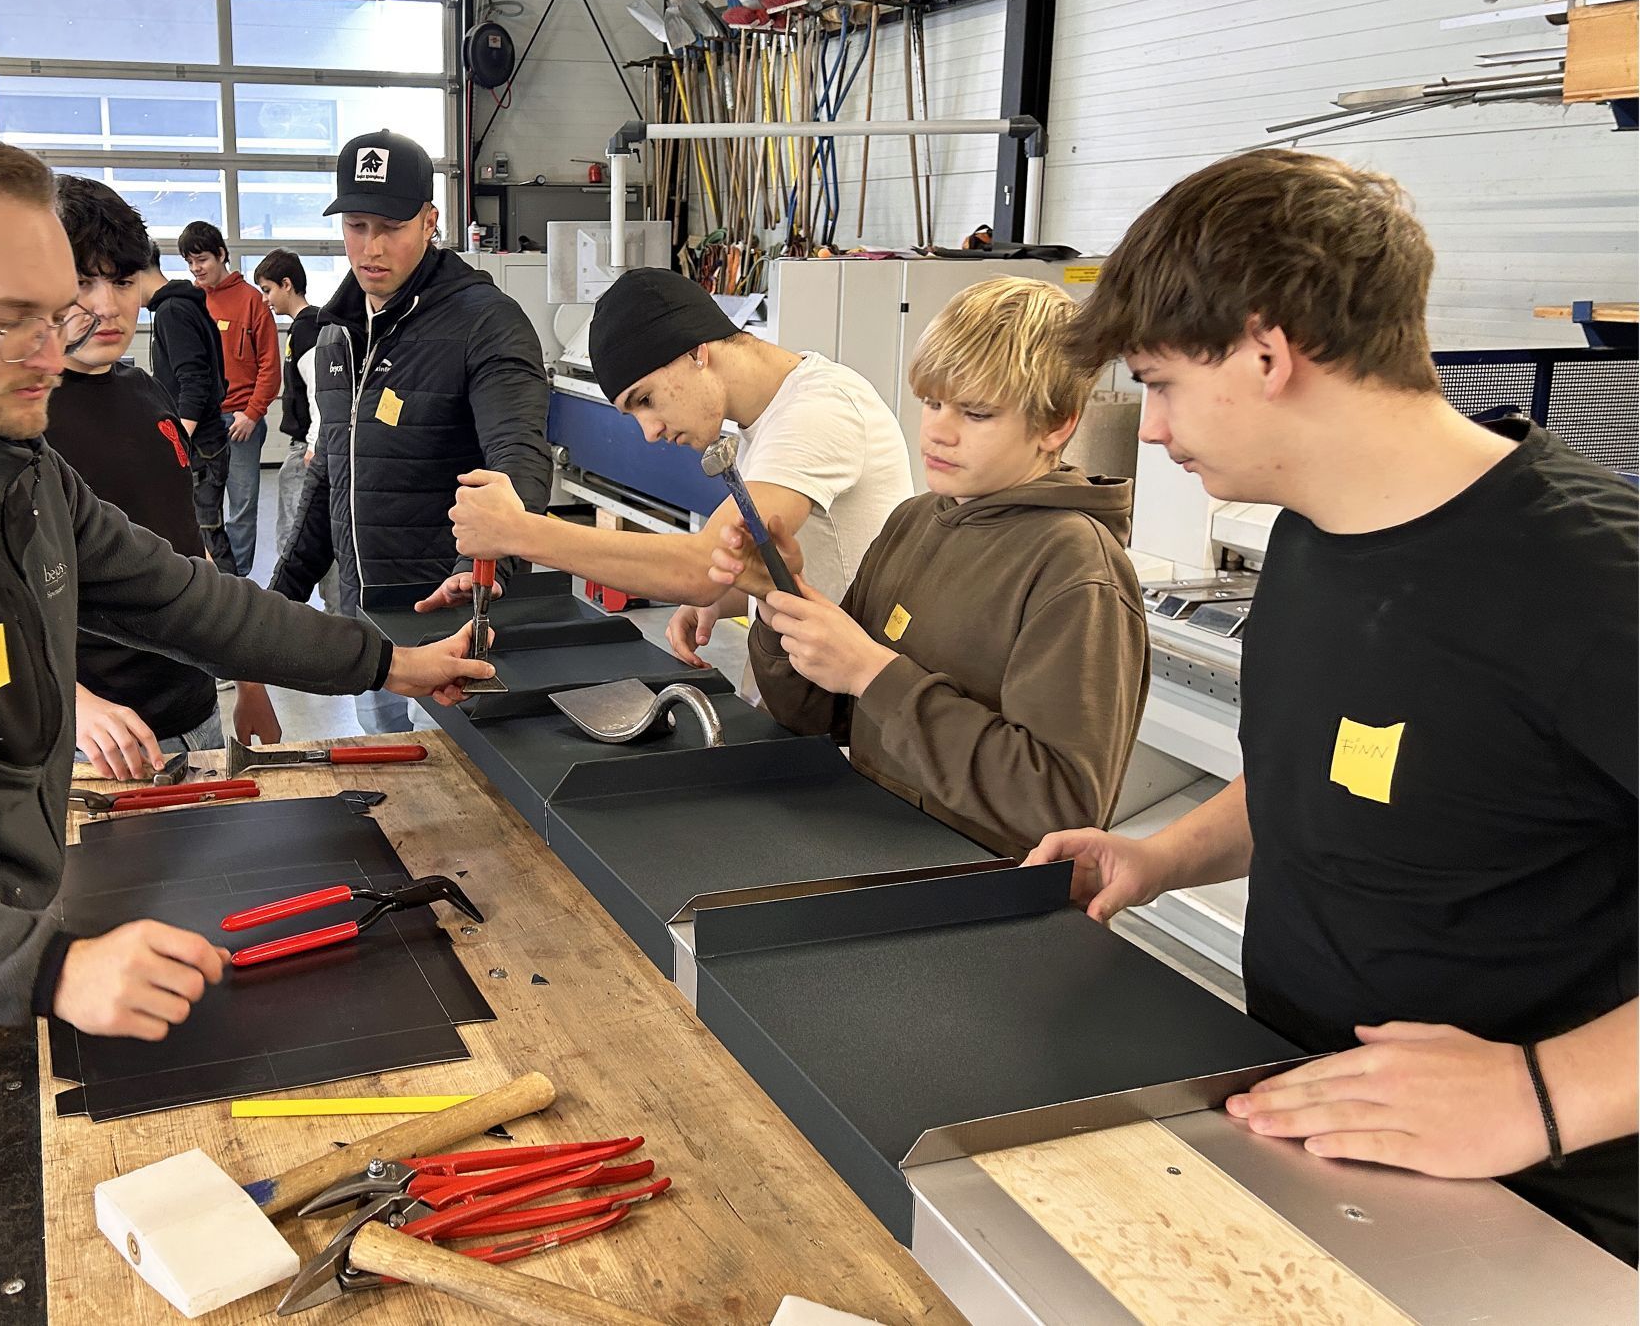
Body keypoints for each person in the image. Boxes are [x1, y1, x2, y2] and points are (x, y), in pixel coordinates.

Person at [0, 134, 493, 1326]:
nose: (52, 351)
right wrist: (55, 967)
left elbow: (186, 601)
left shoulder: (11, 470)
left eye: (61, 312)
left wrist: (385, 660)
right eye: (10, 318)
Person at [1025, 149, 1636, 1262]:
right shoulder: (1311, 528)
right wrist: (1158, 857)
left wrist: (1534, 1093)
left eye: (1157, 382)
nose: (1150, 430)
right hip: (1307, 1131)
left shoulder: (1592, 584)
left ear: (1266, 351)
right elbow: (1326, 772)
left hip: (1538, 1213)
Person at [719, 277, 1148, 857]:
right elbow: (819, 718)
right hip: (875, 849)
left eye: (976, 413)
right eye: (933, 402)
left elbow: (1060, 805)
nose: (939, 432)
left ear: (1058, 424)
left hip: (980, 897)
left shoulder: (1074, 567)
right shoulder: (915, 521)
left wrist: (874, 672)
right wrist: (782, 605)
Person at [445, 267, 914, 687]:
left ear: (696, 351)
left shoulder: (820, 410)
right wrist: (725, 600)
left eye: (645, 399)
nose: (649, 432)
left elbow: (699, 566)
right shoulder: (770, 419)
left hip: (854, 711)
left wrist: (520, 531)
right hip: (798, 682)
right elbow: (791, 562)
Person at [272, 129, 552, 734]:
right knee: (398, 787)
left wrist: (480, 568)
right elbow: (333, 479)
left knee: (464, 791)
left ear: (430, 221)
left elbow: (519, 455)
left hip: (447, 617)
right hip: (367, 623)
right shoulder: (336, 334)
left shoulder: (487, 323)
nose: (371, 247)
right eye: (356, 226)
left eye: (391, 227)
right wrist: (274, 608)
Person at [47, 174, 281, 773]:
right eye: (80, 282)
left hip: (192, 713)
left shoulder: (148, 393)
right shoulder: (17, 417)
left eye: (123, 281)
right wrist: (78, 708)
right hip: (92, 744)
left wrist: (247, 679)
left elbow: (193, 558)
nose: (106, 306)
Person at [182, 220, 280, 577]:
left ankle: (236, 582)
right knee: (202, 505)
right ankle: (210, 579)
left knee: (241, 507)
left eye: (202, 260)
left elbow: (270, 364)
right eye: (190, 263)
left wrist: (252, 414)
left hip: (241, 422)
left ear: (221, 254)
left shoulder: (252, 300)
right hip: (204, 422)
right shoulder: (191, 302)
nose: (197, 269)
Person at [144, 241, 233, 571]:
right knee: (205, 534)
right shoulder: (181, 305)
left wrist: (177, 442)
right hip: (206, 441)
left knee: (207, 537)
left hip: (201, 444)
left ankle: (236, 615)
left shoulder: (172, 311)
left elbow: (195, 382)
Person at [254, 249, 323, 578]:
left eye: (267, 290)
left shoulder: (308, 329)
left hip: (306, 449)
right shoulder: (303, 328)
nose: (265, 299)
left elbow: (319, 391)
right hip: (304, 445)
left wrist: (313, 444)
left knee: (293, 538)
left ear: (286, 284)